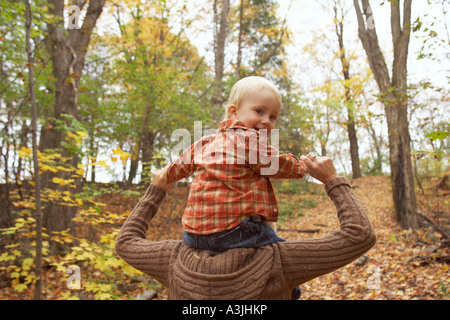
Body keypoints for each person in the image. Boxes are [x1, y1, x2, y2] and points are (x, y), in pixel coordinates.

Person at [115, 154, 377, 300]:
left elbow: (126, 243)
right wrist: (332, 180)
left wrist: (156, 191)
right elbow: (359, 235)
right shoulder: (278, 262)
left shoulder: (175, 261)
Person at [165, 76, 309, 254]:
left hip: (193, 235)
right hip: (233, 231)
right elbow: (279, 164)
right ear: (234, 112)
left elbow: (176, 169)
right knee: (283, 260)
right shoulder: (248, 138)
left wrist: (163, 177)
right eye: (259, 111)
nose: (266, 121)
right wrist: (303, 166)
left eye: (273, 117)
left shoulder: (206, 142)